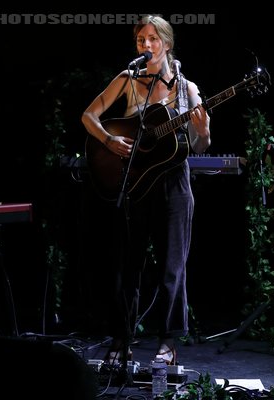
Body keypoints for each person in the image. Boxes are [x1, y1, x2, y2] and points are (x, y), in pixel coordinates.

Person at [81, 14, 210, 367]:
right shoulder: (127, 80)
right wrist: (109, 139)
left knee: (172, 267)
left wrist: (204, 131)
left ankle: (167, 343)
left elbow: (198, 147)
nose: (146, 45)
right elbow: (89, 116)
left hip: (174, 185)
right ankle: (122, 339)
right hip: (135, 181)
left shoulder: (188, 89)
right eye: (141, 40)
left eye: (153, 39)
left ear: (166, 44)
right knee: (128, 265)